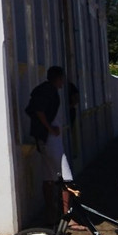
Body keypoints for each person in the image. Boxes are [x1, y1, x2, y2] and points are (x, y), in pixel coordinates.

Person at [24, 66, 79, 226]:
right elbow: (38, 110)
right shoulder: (49, 91)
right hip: (50, 139)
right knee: (66, 178)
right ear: (58, 77)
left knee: (48, 178)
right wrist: (49, 128)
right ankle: (68, 217)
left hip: (44, 138)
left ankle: (51, 215)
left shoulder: (44, 89)